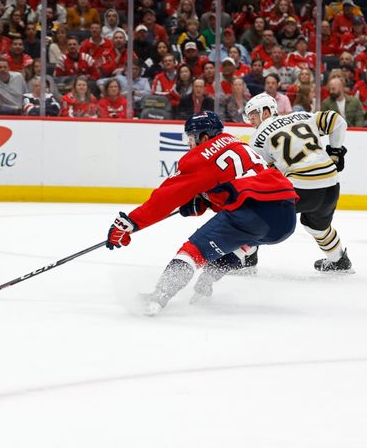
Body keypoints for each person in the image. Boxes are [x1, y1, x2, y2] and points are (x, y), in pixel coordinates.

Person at [105, 111, 298, 315]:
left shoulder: (201, 155)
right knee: (241, 241)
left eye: (191, 138)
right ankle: (206, 282)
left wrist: (131, 223)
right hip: (286, 215)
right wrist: (205, 201)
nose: (189, 144)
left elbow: (167, 196)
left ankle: (159, 296)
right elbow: (238, 187)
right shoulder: (237, 143)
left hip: (252, 211)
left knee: (193, 250)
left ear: (204, 137)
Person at [244, 94, 351, 272]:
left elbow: (261, 174)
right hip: (331, 183)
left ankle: (246, 257)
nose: (251, 120)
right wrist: (335, 151)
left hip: (300, 187)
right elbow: (337, 121)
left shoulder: (257, 139)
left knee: (255, 212)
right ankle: (339, 261)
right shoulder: (303, 116)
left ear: (266, 111)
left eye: (253, 114)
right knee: (317, 226)